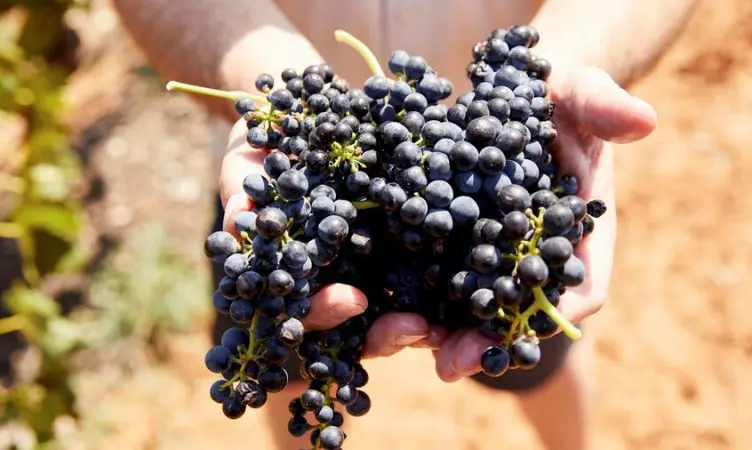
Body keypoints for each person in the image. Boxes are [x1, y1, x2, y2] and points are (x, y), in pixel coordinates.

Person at [111, 1, 697, 448]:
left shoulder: (521, 229)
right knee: (283, 347)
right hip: (282, 174)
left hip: (507, 158)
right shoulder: (274, 201)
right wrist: (263, 70)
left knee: (531, 345)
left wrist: (574, 56)